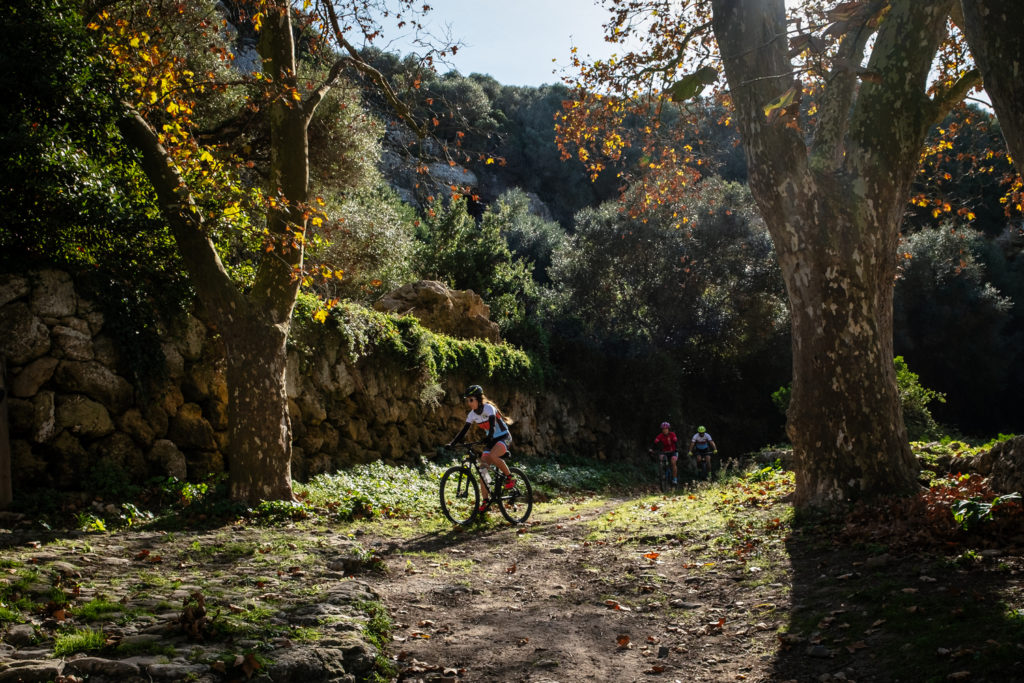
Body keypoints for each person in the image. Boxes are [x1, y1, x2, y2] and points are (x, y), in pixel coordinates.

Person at [448, 384, 515, 511]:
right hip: (491, 440)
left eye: (471, 399)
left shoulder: (489, 408)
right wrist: (452, 443)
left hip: (503, 437)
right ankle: (486, 500)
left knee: (493, 455)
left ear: (478, 399)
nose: (469, 403)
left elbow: (491, 423)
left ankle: (510, 477)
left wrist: (489, 436)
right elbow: (463, 431)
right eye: (467, 400)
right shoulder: (472, 414)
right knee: (483, 471)